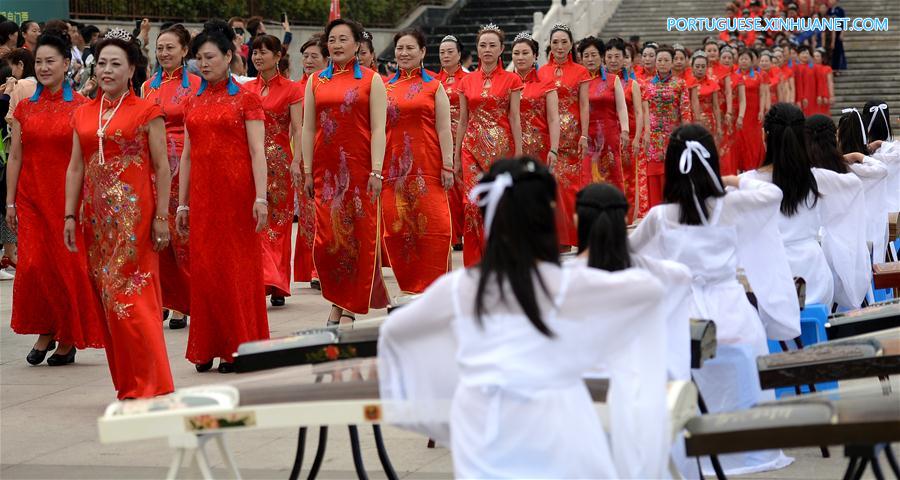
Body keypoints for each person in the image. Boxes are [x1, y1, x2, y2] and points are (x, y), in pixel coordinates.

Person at [378, 157, 669, 478]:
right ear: (547, 219)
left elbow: (396, 332)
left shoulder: (462, 289)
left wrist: (458, 387)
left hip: (484, 429)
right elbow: (651, 290)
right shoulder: (566, 283)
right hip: (558, 426)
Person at [630, 123, 799, 476]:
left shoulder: (661, 217)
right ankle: (749, 452)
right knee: (743, 374)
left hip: (685, 318)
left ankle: (695, 453)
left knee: (683, 374)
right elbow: (774, 196)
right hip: (732, 311)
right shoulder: (728, 205)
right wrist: (734, 180)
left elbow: (625, 252)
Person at [64, 28, 174, 398]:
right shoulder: (83, 113)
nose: (107, 71)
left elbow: (162, 166)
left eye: (116, 64)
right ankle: (129, 382)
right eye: (102, 64)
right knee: (108, 300)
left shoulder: (147, 110)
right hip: (95, 223)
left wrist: (161, 217)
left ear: (132, 70)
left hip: (135, 219)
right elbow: (76, 168)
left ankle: (149, 382)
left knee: (132, 298)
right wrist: (69, 215)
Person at [574, 182, 693, 477]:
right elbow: (682, 280)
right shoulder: (660, 275)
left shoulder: (558, 280)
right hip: (641, 399)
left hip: (578, 406)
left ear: (578, 221)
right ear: (626, 222)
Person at [5, 31, 105, 366]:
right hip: (31, 198)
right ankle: (45, 328)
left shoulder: (81, 107)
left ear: (66, 63)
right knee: (33, 266)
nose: (45, 67)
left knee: (65, 267)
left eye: (52, 61)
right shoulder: (25, 107)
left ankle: (64, 337)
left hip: (67, 201)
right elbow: (15, 156)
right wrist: (10, 202)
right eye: (40, 62)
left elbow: (89, 159)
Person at [176, 20, 270, 373]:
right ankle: (207, 346)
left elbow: (258, 151)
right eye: (199, 58)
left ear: (230, 56)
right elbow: (186, 153)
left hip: (237, 197)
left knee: (234, 271)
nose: (204, 63)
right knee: (205, 271)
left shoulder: (245, 97)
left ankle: (237, 347)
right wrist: (183, 202)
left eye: (211, 56)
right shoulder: (192, 99)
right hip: (202, 197)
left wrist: (260, 198)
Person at [300, 19, 390, 324]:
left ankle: (346, 305)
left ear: (356, 45)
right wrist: (307, 168)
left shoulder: (371, 80)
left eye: (343, 39)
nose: (336, 45)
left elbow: (379, 129)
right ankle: (339, 297)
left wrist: (376, 171)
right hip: (326, 174)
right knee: (327, 242)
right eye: (332, 40)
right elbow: (307, 127)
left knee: (356, 237)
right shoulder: (316, 81)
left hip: (360, 170)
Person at [742, 103, 869, 310]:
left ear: (765, 135)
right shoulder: (816, 178)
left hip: (772, 275)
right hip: (814, 274)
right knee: (814, 329)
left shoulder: (748, 183)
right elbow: (854, 186)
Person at [381, 29, 454, 294]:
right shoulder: (384, 87)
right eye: (399, 48)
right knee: (399, 230)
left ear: (422, 52)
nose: (404, 53)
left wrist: (447, 164)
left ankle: (436, 289)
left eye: (410, 48)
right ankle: (409, 289)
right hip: (393, 170)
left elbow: (444, 129)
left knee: (434, 226)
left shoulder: (434, 86)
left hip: (429, 167)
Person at [141, 24, 201, 329]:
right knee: (156, 233)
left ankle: (184, 302)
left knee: (183, 235)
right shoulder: (147, 87)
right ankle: (164, 296)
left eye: (170, 48)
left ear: (184, 50)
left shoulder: (197, 85)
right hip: (153, 165)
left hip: (185, 163)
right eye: (160, 48)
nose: (164, 53)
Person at [455, 24, 523, 266]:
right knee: (472, 205)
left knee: (499, 203)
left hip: (502, 152)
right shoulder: (466, 81)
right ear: (477, 48)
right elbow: (463, 120)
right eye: (483, 45)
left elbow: (515, 117)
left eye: (492, 45)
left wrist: (519, 155)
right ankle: (475, 263)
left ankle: (501, 257)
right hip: (471, 149)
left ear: (502, 49)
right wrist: (455, 157)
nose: (487, 49)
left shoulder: (512, 80)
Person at [246, 34, 302, 307]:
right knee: (259, 221)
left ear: (277, 56)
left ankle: (278, 282)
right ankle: (265, 278)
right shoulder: (246, 90)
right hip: (252, 163)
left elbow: (299, 129)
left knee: (279, 225)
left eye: (263, 52)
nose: (257, 57)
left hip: (280, 163)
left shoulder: (292, 89)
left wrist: (297, 161)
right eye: (255, 52)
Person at [807, 113, 889, 265]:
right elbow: (883, 169)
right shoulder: (853, 173)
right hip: (860, 235)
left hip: (821, 245)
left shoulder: (811, 173)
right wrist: (859, 155)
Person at [538, 24, 590, 246]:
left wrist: (584, 135)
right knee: (551, 186)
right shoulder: (541, 72)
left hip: (572, 136)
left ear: (571, 45)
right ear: (550, 44)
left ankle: (572, 236)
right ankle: (555, 238)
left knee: (570, 188)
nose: (559, 46)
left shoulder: (580, 71)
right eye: (555, 42)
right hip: (548, 136)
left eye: (564, 42)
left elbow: (585, 105)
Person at [291, 34, 327, 290]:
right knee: (308, 216)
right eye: (305, 56)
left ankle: (324, 266)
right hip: (305, 156)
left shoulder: (328, 86)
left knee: (327, 214)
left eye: (315, 56)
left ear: (327, 59)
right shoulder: (297, 88)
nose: (309, 61)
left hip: (330, 154)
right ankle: (314, 267)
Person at [640, 45, 691, 215]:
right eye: (659, 60)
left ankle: (675, 212)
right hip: (652, 137)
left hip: (673, 136)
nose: (662, 63)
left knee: (673, 172)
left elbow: (685, 109)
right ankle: (656, 214)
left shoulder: (680, 84)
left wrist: (686, 133)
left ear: (672, 62)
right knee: (653, 175)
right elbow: (642, 111)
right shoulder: (645, 84)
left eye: (666, 60)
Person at [580, 37, 628, 192]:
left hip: (609, 135)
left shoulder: (613, 80)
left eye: (594, 55)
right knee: (587, 177)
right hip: (585, 137)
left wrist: (625, 130)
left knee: (611, 175)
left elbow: (621, 107)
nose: (590, 59)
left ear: (601, 56)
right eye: (586, 55)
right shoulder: (578, 82)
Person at [606, 38, 643, 221]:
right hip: (605, 137)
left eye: (617, 56)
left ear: (624, 59)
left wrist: (636, 138)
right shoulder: (600, 83)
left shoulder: (632, 84)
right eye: (610, 56)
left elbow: (638, 111)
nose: (613, 60)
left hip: (627, 138)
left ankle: (627, 219)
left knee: (628, 177)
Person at [436, 35, 468, 249]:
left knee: (462, 187)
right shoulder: (432, 81)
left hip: (463, 138)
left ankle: (466, 231)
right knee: (446, 188)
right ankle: (452, 234)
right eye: (442, 52)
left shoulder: (467, 79)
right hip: (440, 139)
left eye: (450, 51)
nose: (445, 55)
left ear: (459, 55)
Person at [511, 33, 559, 166]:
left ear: (535, 56)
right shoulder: (505, 82)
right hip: (509, 146)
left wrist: (554, 149)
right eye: (516, 53)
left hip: (539, 147)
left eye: (525, 53)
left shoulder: (546, 83)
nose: (520, 57)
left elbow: (553, 118)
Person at [733, 48, 769, 172]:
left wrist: (761, 110)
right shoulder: (734, 75)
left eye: (746, 59)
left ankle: (755, 165)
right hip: (739, 112)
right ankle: (740, 166)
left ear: (752, 61)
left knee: (753, 140)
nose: (743, 61)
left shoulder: (758, 76)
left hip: (753, 113)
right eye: (741, 59)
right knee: (739, 139)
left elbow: (762, 94)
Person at [863, 100, 899, 214]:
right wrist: (881, 143)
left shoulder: (860, 154)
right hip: (896, 208)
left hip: (869, 212)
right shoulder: (894, 149)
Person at [689, 51, 723, 149]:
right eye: (697, 66)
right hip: (691, 119)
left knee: (707, 148)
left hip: (708, 121)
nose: (700, 69)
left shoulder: (712, 83)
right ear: (692, 67)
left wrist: (719, 126)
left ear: (707, 67)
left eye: (703, 66)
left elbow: (716, 107)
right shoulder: (686, 83)